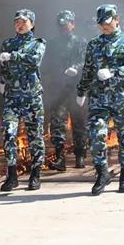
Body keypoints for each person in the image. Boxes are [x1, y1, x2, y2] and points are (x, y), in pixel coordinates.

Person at [76, 4, 124, 195]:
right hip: (99, 98)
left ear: (117, 19)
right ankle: (102, 173)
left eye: (107, 22)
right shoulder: (94, 44)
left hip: (123, 97)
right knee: (96, 134)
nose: (104, 26)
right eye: (101, 23)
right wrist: (81, 90)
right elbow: (88, 69)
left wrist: (113, 72)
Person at [0, 9, 46, 191]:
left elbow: (34, 61)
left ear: (32, 24)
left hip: (32, 96)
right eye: (17, 22)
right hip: (12, 97)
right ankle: (12, 175)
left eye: (24, 22)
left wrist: (13, 56)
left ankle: (35, 174)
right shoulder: (7, 43)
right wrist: (3, 81)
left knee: (35, 136)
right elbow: (4, 67)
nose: (20, 25)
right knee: (9, 133)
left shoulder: (38, 43)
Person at [44, 10, 88, 171]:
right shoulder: (52, 44)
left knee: (79, 122)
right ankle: (60, 157)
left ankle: (80, 156)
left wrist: (76, 68)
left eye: (66, 24)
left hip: (76, 88)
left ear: (73, 24)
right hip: (58, 88)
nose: (63, 27)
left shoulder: (80, 42)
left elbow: (86, 60)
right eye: (61, 24)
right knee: (57, 123)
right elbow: (46, 63)